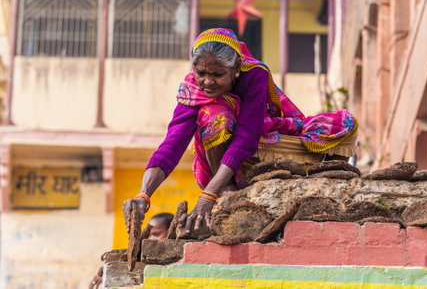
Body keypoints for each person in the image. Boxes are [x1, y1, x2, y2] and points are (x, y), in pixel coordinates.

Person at [123, 28, 358, 235]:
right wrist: (143, 195)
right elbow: (172, 144)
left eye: (217, 75)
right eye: (201, 73)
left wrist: (208, 196)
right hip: (219, 162)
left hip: (260, 139)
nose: (207, 82)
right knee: (213, 114)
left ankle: (222, 188)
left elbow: (247, 135)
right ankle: (227, 189)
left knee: (344, 128)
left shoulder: (254, 74)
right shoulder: (191, 87)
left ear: (236, 68)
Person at [88, 213, 173, 289]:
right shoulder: (143, 254)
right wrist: (104, 272)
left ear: (171, 232)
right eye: (149, 235)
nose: (151, 239)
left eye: (156, 234)